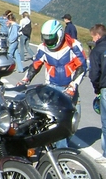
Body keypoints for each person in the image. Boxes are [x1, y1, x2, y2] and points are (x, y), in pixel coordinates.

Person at [18, 19, 87, 148]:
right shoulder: (43, 48)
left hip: (70, 89)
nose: (48, 42)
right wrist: (25, 79)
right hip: (52, 89)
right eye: (46, 38)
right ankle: (60, 152)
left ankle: (58, 146)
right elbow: (35, 65)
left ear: (59, 34)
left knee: (72, 122)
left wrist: (73, 85)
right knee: (57, 123)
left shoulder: (73, 45)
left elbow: (82, 67)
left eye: (51, 39)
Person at [88, 24, 106, 159]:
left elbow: (94, 74)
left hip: (105, 87)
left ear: (98, 35)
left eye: (93, 37)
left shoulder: (97, 51)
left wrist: (97, 89)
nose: (93, 40)